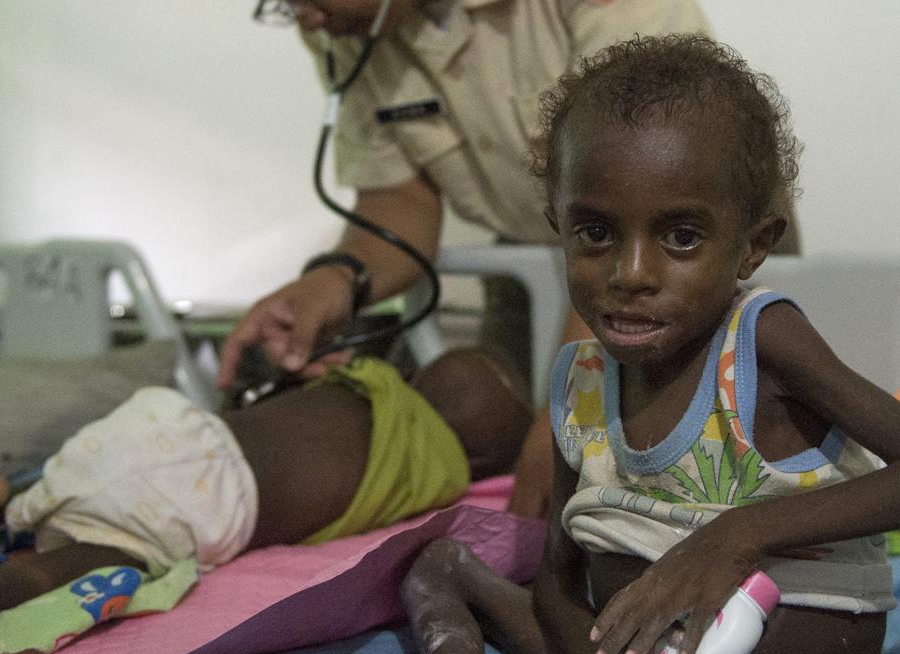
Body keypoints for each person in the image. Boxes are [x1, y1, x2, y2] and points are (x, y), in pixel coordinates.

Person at [287, 35, 900, 654]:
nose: (631, 274)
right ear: (557, 224)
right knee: (433, 561)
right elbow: (560, 576)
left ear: (751, 247)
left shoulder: (760, 343)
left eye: (681, 237)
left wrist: (731, 538)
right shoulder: (576, 379)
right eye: (594, 232)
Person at [220, 0, 737, 520]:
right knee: (497, 426)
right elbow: (399, 201)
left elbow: (644, 192)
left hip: (681, 250)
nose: (307, 20)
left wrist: (571, 411)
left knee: (672, 466)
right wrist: (337, 278)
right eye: (284, 6)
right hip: (535, 257)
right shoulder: (350, 27)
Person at [0, 347, 533, 632]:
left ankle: (3, 504)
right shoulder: (432, 469)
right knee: (85, 564)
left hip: (172, 428)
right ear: (477, 460)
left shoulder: (367, 380)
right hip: (201, 496)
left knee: (74, 483)